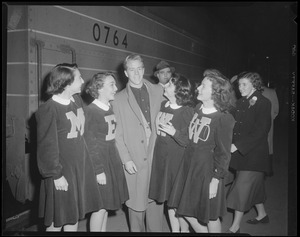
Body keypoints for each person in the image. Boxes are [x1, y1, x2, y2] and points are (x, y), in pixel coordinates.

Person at [35, 63, 102, 231]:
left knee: (73, 216)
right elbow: (46, 147)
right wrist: (56, 175)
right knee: (57, 219)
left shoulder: (77, 100)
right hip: (61, 172)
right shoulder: (48, 109)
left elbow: (84, 135)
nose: (82, 80)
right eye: (79, 77)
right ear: (66, 83)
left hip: (78, 170)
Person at [168, 73, 236, 233]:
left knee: (206, 214)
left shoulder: (223, 118)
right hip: (190, 168)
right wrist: (175, 132)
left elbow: (224, 153)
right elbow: (191, 139)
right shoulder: (198, 108)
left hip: (206, 172)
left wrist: (215, 180)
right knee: (190, 210)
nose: (198, 88)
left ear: (215, 93)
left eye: (203, 86)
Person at [112, 54, 165, 232]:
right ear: (126, 73)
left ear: (144, 69)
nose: (136, 73)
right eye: (132, 69)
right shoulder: (118, 99)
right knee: (136, 204)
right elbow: (117, 135)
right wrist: (126, 159)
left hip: (156, 154)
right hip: (134, 157)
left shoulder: (158, 91)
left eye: (139, 68)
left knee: (156, 202)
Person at [149, 73, 195, 232]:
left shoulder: (188, 111)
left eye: (169, 85)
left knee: (177, 201)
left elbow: (189, 142)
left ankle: (186, 230)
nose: (165, 86)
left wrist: (174, 132)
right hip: (162, 160)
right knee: (169, 200)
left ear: (178, 91)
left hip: (177, 163)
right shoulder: (164, 105)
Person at [226, 72, 271, 233]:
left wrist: (237, 146)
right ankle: (262, 214)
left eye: (244, 84)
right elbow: (233, 125)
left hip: (255, 155)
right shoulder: (240, 102)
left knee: (241, 187)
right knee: (253, 188)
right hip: (241, 155)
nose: (240, 88)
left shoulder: (263, 103)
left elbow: (261, 131)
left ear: (254, 84)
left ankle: (235, 227)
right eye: (239, 85)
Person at [84, 72, 129, 232]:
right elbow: (90, 144)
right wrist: (98, 171)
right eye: (111, 85)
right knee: (100, 207)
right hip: (101, 164)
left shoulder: (108, 108)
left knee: (105, 206)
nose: (116, 88)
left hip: (111, 160)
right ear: (99, 88)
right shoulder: (91, 111)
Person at [261, 81, 279, 176]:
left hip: (256, 124)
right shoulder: (272, 92)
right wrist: (271, 117)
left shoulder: (251, 91)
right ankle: (268, 170)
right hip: (269, 124)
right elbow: (276, 110)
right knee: (268, 146)